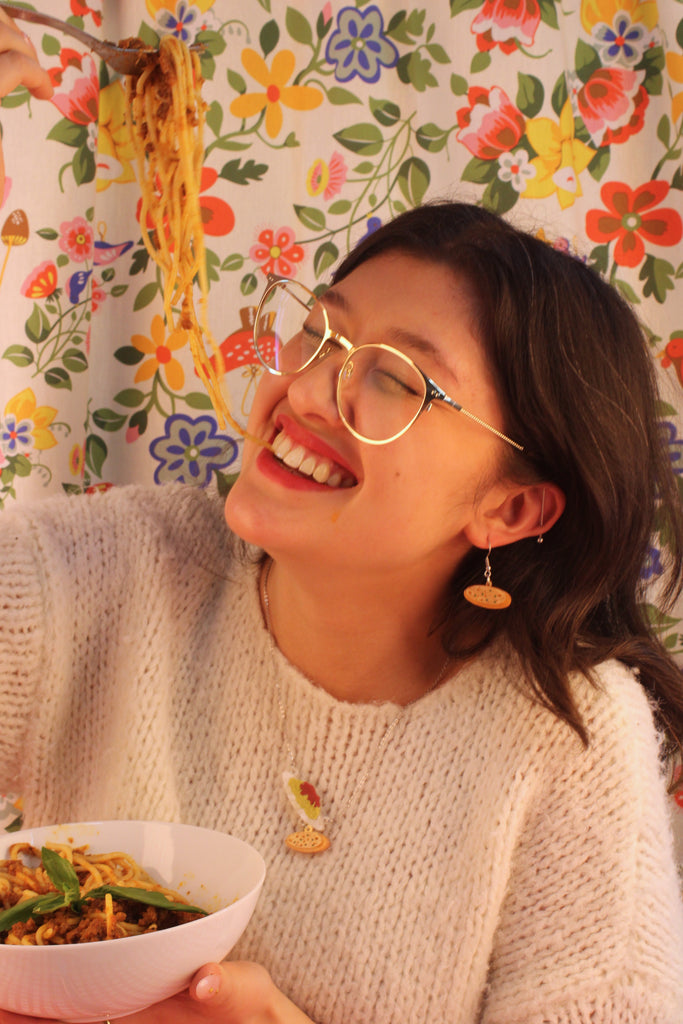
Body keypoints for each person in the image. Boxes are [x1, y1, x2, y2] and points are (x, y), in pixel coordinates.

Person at [1, 14, 683, 1024]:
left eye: (396, 379)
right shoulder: (110, 577)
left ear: (510, 506)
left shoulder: (566, 746)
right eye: (320, 332)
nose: (311, 387)